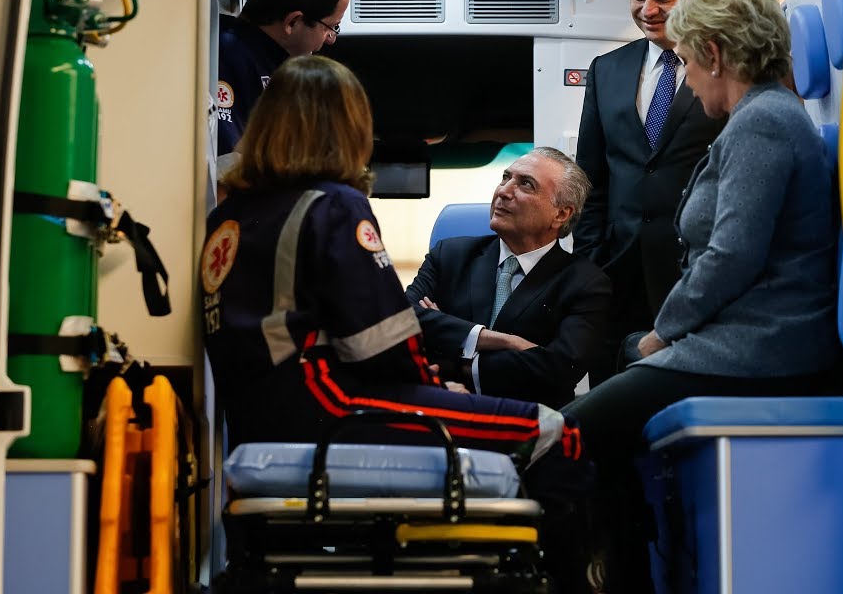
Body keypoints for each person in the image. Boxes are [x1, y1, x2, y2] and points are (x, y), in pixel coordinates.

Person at [199, 54, 593, 594]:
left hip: (256, 419)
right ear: (348, 128)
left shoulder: (227, 218)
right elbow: (384, 341)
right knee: (558, 433)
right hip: (332, 406)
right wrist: (435, 386)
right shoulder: (335, 206)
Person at [561, 0, 843, 594]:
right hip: (748, 340)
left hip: (762, 348)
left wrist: (663, 334)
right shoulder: (764, 117)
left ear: (715, 55)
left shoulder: (763, 122)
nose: (687, 79)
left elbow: (730, 256)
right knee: (608, 398)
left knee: (564, 436)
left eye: (689, 61)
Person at [571, 0, 726, 388]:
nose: (647, 9)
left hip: (694, 273)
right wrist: (591, 266)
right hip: (615, 278)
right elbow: (591, 180)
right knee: (610, 401)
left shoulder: (724, 69)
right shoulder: (607, 70)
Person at [405, 147, 611, 410]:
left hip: (527, 420)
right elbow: (403, 320)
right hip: (442, 411)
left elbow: (559, 369)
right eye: (505, 177)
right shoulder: (450, 255)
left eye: (526, 184)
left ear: (560, 214)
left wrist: (455, 355)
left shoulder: (585, 282)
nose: (503, 191)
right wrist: (498, 340)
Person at [212, 0, 355, 179]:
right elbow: (220, 173)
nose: (331, 39)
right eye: (330, 27)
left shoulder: (267, 62)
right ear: (293, 22)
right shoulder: (225, 57)